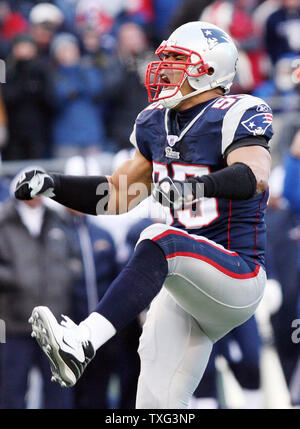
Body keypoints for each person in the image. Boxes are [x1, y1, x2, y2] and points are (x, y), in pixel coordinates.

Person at [15, 21, 273, 409]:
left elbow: (255, 176)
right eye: (164, 57)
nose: (163, 66)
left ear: (208, 68)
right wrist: (53, 185)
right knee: (157, 405)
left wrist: (197, 186)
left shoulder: (237, 111)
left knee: (160, 236)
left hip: (237, 273)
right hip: (184, 286)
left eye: (175, 59)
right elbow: (116, 195)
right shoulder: (155, 121)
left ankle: (82, 342)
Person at [0, 167, 75, 409]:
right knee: (11, 391)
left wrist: (68, 275)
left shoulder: (58, 219)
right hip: (14, 323)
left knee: (60, 393)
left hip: (54, 325)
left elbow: (74, 259)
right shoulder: (3, 220)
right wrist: (16, 278)